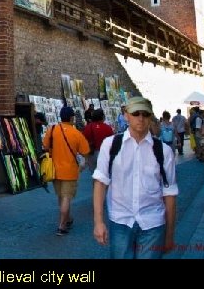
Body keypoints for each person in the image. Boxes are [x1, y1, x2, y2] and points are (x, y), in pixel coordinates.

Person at [92, 96, 178, 259]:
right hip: (120, 220)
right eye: (135, 113)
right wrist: (98, 222)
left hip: (153, 222)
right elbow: (100, 183)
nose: (140, 118)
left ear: (150, 116)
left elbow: (170, 195)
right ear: (126, 115)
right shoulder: (110, 145)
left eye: (145, 114)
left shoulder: (163, 151)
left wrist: (169, 235)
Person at [42, 105, 90, 236]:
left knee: (61, 197)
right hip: (70, 171)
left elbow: (45, 146)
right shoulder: (76, 133)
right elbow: (85, 151)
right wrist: (83, 165)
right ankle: (61, 226)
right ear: (71, 118)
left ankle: (67, 219)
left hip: (55, 170)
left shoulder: (52, 130)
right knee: (67, 198)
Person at [82, 108, 114, 173]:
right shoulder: (107, 128)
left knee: (94, 173)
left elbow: (83, 140)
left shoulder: (87, 127)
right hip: (104, 153)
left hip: (92, 152)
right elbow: (112, 142)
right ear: (102, 117)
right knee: (105, 173)